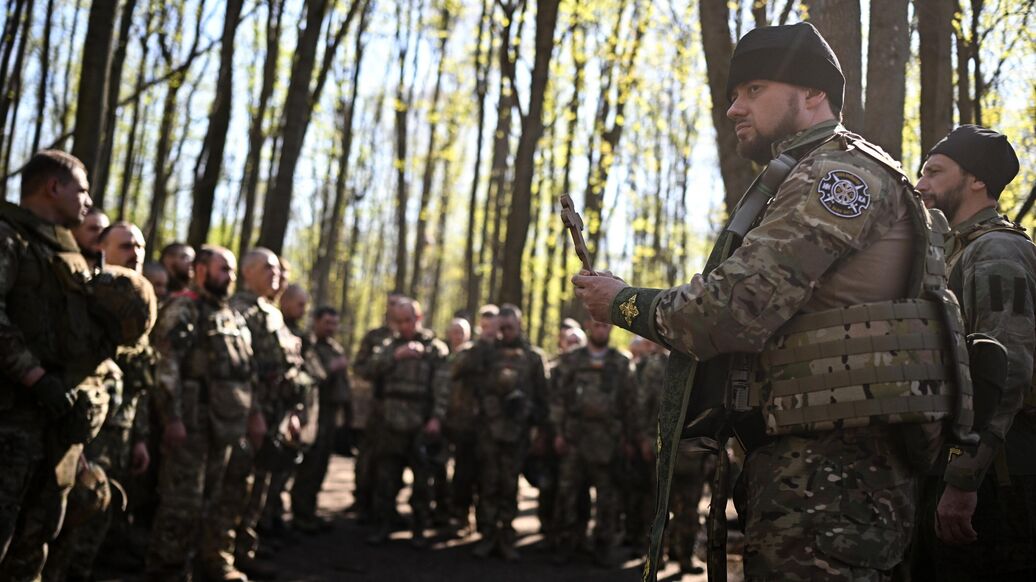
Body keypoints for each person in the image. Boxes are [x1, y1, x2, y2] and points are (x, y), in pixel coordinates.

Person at [573, 22, 968, 580]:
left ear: (813, 93)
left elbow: (732, 309)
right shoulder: (812, 173)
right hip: (817, 475)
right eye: (734, 93)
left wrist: (624, 303)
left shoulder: (838, 175)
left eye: (753, 89)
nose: (734, 108)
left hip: (831, 483)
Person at [911, 126, 1036, 580]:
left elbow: (1008, 374)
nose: (920, 183)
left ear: (977, 180)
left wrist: (963, 482)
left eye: (934, 172)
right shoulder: (954, 253)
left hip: (999, 479)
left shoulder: (996, 252)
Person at [0, 150, 113, 580]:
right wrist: (35, 376)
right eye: (81, 189)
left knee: (34, 544)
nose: (88, 200)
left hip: (54, 426)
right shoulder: (10, 238)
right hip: (11, 421)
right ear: (53, 187)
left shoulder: (65, 254)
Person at [44, 221, 155, 580]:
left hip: (118, 438)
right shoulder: (87, 296)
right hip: (81, 437)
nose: (135, 253)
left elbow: (138, 388)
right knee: (59, 535)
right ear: (101, 247)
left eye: (139, 246)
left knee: (94, 531)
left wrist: (139, 438)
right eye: (125, 245)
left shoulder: (140, 306)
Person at [146, 245, 261, 582]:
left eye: (232, 270)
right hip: (192, 426)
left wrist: (253, 415)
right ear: (200, 270)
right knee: (181, 505)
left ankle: (208, 565)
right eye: (222, 269)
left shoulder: (232, 317)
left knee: (217, 503)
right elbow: (167, 366)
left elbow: (246, 372)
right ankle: (166, 570)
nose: (230, 277)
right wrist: (173, 419)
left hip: (226, 426)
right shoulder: (183, 309)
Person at [220, 248, 309, 578]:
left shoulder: (271, 312)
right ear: (247, 273)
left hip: (277, 413)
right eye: (265, 267)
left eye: (276, 267)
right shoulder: (239, 311)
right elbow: (243, 368)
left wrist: (293, 413)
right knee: (239, 486)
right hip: (251, 413)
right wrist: (253, 412)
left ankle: (246, 546)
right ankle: (222, 555)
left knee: (261, 484)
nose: (275, 273)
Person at [453, 306, 548, 560]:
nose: (505, 332)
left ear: (520, 325)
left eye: (509, 327)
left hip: (517, 432)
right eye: (501, 327)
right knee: (487, 482)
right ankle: (486, 535)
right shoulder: (485, 352)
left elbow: (543, 397)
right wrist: (484, 341)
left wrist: (539, 431)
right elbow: (458, 369)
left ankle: (505, 535)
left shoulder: (533, 357)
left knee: (509, 483)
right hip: (487, 430)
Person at [364, 299, 449, 547]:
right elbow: (368, 370)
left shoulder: (435, 349)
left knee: (423, 479)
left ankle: (419, 528)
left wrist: (436, 418)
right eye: (398, 321)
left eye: (408, 321)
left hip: (421, 423)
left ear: (418, 318)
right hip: (390, 423)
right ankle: (383, 525)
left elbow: (443, 388)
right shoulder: (388, 346)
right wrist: (394, 357)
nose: (403, 326)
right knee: (386, 477)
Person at [550, 320, 635, 567]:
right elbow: (559, 400)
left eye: (605, 326)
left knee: (607, 498)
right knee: (569, 493)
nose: (601, 329)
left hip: (608, 441)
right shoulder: (572, 360)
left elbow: (630, 404)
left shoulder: (621, 362)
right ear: (589, 327)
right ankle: (567, 543)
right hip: (575, 438)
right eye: (597, 325)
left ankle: (602, 547)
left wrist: (631, 438)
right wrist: (558, 432)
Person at [291, 301, 352, 534]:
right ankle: (299, 513)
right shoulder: (309, 345)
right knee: (310, 462)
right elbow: (313, 376)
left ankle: (310, 511)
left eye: (334, 324)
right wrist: (332, 367)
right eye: (327, 323)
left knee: (322, 464)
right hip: (314, 411)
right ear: (316, 321)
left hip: (331, 414)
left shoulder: (335, 347)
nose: (331, 328)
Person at [351, 292, 404, 521]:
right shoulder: (374, 337)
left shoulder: (412, 338)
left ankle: (387, 506)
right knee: (368, 457)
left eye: (400, 305)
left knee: (393, 459)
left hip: (402, 411)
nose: (395, 308)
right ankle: (363, 503)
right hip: (375, 408)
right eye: (392, 304)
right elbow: (360, 369)